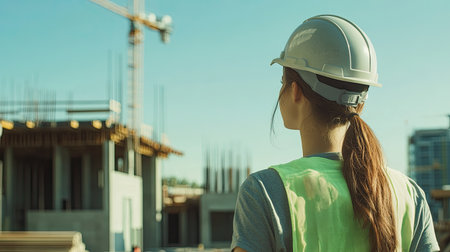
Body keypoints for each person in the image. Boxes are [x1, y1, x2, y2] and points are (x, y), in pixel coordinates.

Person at [231, 15, 440, 252]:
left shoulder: (265, 192)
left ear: (296, 91)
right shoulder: (410, 195)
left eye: (282, 81)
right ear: (361, 104)